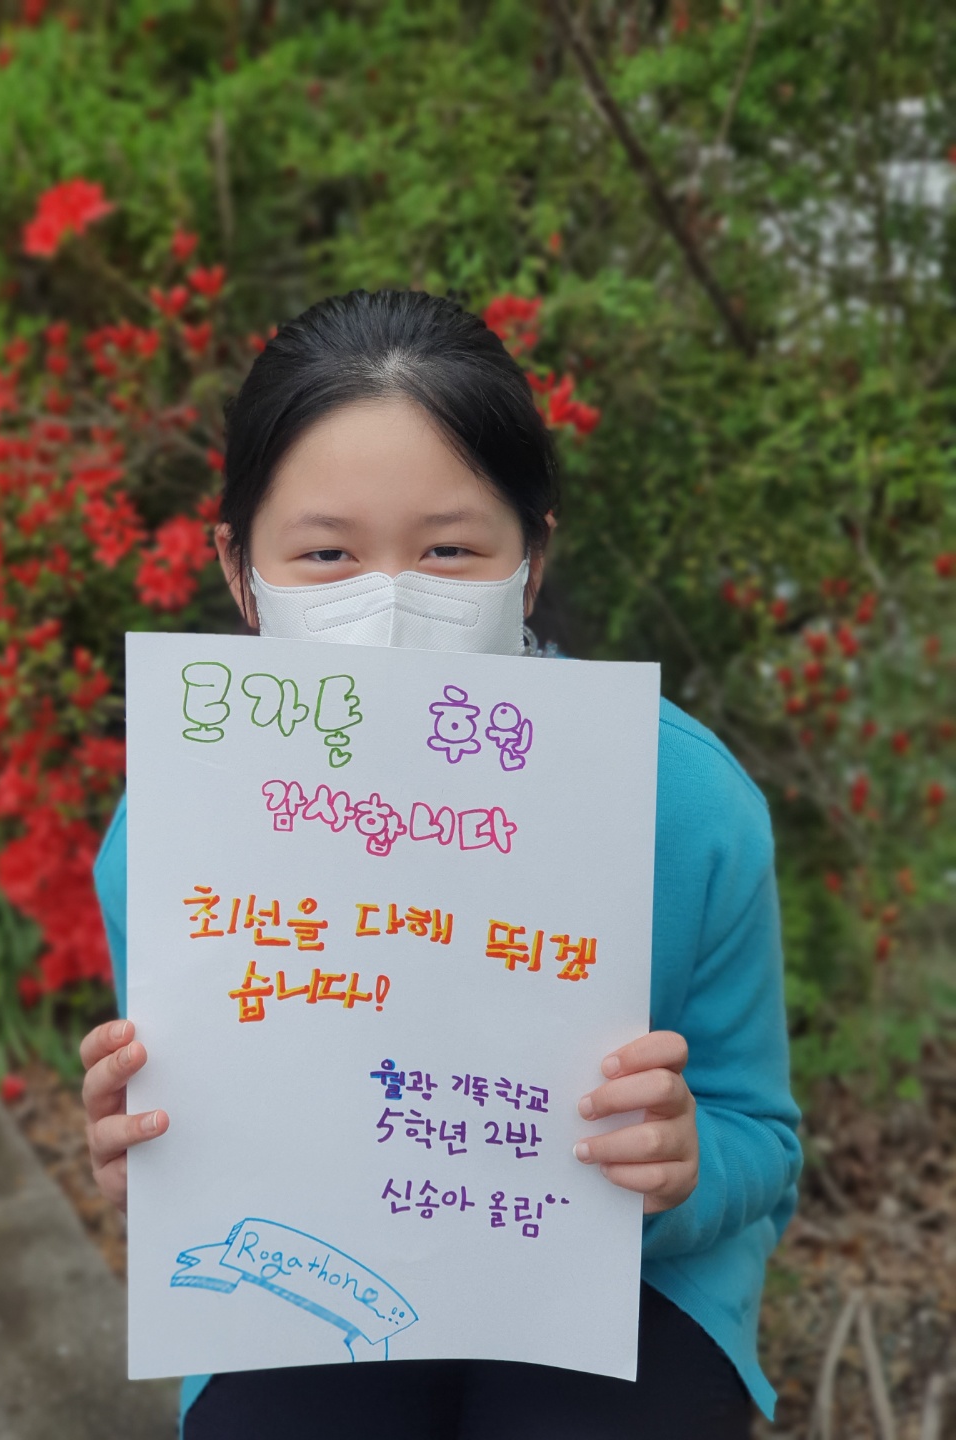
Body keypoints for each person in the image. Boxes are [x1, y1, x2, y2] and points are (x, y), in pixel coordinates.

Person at [82, 288, 803, 1440]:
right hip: (308, 1261)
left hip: (629, 1279)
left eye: (449, 551)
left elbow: (762, 1137)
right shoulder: (177, 832)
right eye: (326, 553)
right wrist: (150, 1160)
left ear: (532, 560)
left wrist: (687, 1165)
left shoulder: (687, 806)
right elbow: (199, 1139)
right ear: (238, 567)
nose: (390, 605)